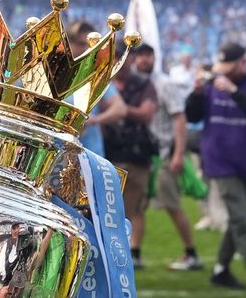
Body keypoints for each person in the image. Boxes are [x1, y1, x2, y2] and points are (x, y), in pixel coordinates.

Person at [185, 42, 246, 296]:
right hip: (221, 161)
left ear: (242, 63)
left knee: (239, 218)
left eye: (229, 68)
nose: (224, 73)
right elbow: (192, 116)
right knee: (241, 219)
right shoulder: (212, 85)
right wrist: (197, 93)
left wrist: (233, 91)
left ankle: (220, 270)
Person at [134, 44, 201, 271]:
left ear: (154, 58)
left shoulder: (165, 85)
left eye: (147, 56)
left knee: (172, 205)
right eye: (140, 56)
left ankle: (191, 253)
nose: (144, 60)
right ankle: (135, 254)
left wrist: (179, 154)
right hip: (141, 155)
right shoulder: (135, 85)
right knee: (137, 206)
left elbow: (179, 120)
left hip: (163, 154)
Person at [103, 45, 157, 270]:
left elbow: (147, 113)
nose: (123, 64)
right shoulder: (106, 83)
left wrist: (122, 110)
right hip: (109, 154)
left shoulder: (143, 83)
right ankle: (113, 251)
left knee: (134, 207)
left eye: (126, 59)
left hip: (135, 155)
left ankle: (134, 252)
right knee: (109, 208)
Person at [67, 20, 126, 158]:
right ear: (68, 43)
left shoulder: (95, 77)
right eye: (82, 44)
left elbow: (120, 108)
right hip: (56, 155)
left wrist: (95, 120)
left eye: (92, 45)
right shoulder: (54, 73)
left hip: (88, 155)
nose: (88, 49)